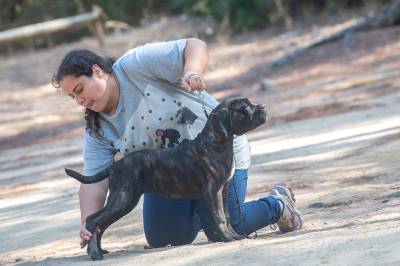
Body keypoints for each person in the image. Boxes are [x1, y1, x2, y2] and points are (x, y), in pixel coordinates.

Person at [52, 38, 303, 249]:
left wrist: (191, 71)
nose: (79, 100)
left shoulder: (135, 64)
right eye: (73, 96)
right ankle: (204, 212)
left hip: (218, 160)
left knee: (233, 226)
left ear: (97, 71)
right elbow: (94, 183)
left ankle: (278, 204)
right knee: (164, 238)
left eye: (80, 89)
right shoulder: (97, 128)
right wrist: (87, 223)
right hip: (173, 176)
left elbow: (194, 45)